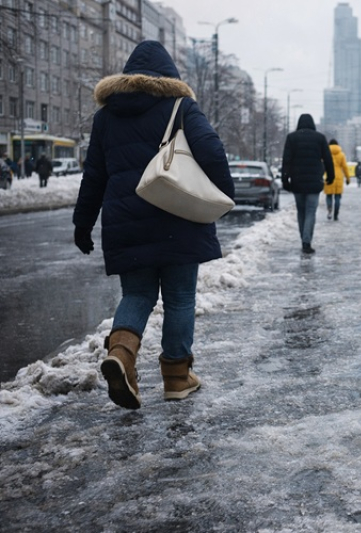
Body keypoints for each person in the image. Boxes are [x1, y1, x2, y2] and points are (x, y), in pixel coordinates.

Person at [72, 40, 234, 410]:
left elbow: (92, 176)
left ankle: (122, 355)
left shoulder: (105, 117)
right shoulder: (181, 106)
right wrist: (223, 195)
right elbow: (212, 150)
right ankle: (177, 377)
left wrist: (83, 224)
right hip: (180, 218)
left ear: (128, 76)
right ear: (170, 75)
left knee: (137, 295)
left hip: (126, 223)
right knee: (179, 298)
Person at [281, 114, 335, 253]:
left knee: (301, 211)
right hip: (314, 181)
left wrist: (285, 179)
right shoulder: (320, 138)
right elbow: (328, 159)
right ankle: (306, 241)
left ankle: (304, 239)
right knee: (311, 211)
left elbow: (286, 160)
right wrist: (331, 175)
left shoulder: (291, 138)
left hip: (297, 180)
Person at [324, 139, 350, 221]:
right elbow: (345, 167)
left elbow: (323, 166)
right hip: (338, 177)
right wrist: (348, 178)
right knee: (338, 197)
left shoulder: (326, 153)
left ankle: (329, 210)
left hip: (328, 175)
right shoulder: (341, 154)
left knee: (328, 195)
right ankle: (336, 213)